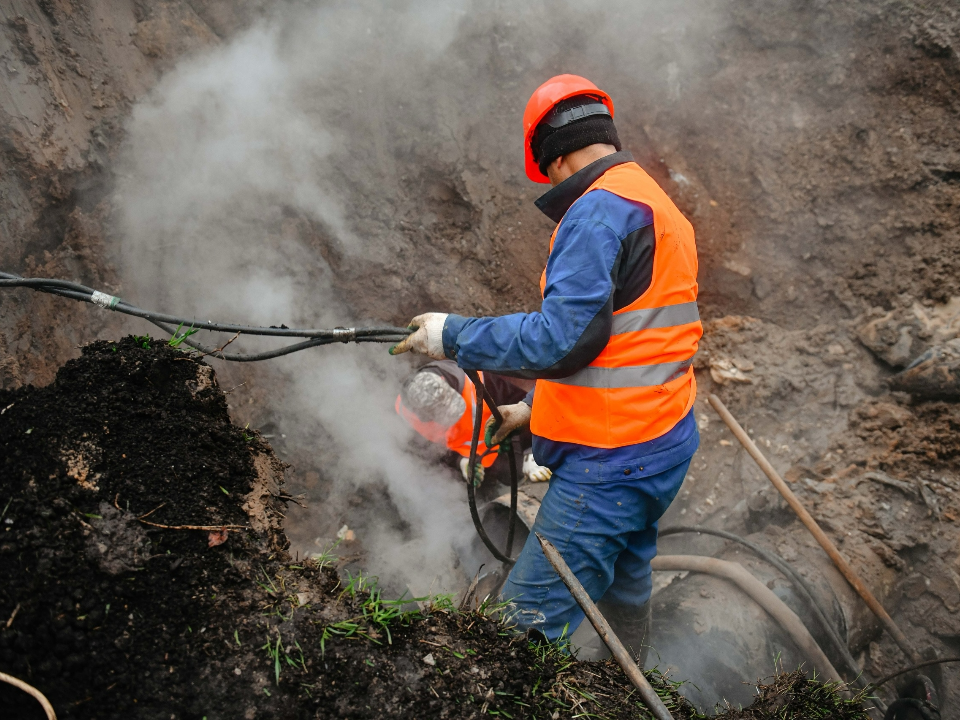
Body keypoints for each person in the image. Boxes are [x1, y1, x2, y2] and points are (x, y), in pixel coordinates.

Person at [390, 74, 702, 663]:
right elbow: (636, 342)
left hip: (609, 464)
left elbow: (561, 340)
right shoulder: (656, 204)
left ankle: (549, 687)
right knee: (624, 578)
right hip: (663, 441)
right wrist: (533, 410)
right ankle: (632, 672)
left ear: (556, 158)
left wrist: (451, 335)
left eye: (550, 171)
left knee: (515, 634)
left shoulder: (595, 216)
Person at [395, 360, 552, 490]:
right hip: (470, 467)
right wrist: (460, 462)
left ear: (446, 384)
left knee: (514, 479)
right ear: (424, 416)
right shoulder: (407, 421)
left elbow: (527, 409)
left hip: (505, 444)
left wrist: (532, 451)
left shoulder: (481, 380)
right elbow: (430, 455)